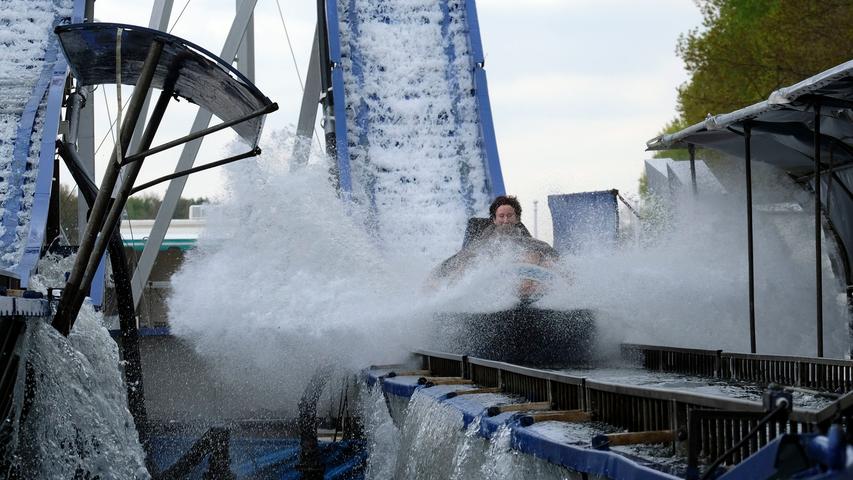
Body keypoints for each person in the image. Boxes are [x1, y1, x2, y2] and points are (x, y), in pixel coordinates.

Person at [429, 195, 558, 298]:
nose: (506, 220)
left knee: (537, 257)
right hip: (488, 282)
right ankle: (450, 294)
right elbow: (466, 255)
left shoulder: (524, 237)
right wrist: (438, 273)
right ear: (495, 219)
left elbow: (542, 249)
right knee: (467, 262)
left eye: (510, 216)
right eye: (501, 216)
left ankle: (525, 292)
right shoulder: (487, 239)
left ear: (517, 218)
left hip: (518, 282)